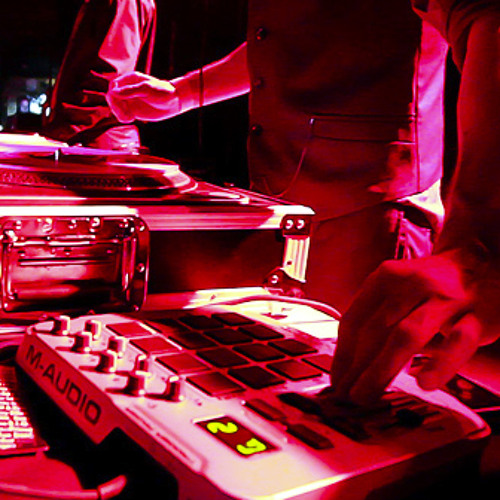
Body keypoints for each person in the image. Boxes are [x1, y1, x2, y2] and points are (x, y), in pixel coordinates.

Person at [106, 0, 500, 400]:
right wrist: (184, 93)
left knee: (358, 402)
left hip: (370, 210)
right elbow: (285, 38)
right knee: (279, 393)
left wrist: (477, 243)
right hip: (286, 199)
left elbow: (485, 12)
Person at [42, 0, 156, 151]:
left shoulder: (121, 3)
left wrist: (63, 131)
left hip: (93, 140)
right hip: (95, 137)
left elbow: (108, 77)